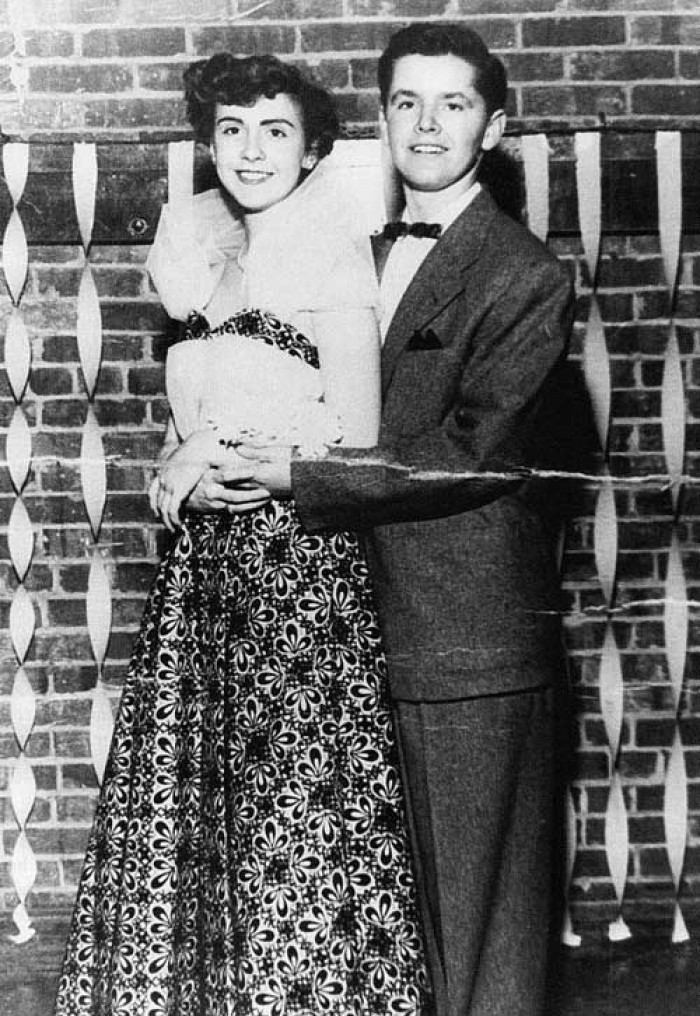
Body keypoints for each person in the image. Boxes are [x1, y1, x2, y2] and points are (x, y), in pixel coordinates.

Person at [54, 53, 428, 1016]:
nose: (250, 151)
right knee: (202, 808)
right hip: (205, 571)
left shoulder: (335, 253)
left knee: (288, 817)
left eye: (274, 131)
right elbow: (196, 415)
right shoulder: (199, 255)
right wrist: (174, 467)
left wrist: (217, 452)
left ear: (312, 151)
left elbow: (353, 432)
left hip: (296, 566)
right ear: (207, 143)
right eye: (230, 130)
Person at [215, 23, 576, 1016]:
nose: (425, 124)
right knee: (382, 942)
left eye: (452, 104)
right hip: (348, 637)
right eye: (405, 103)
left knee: (477, 946)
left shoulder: (523, 273)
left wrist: (298, 473)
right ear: (381, 118)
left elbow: (473, 451)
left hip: (464, 647)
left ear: (493, 126)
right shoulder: (346, 251)